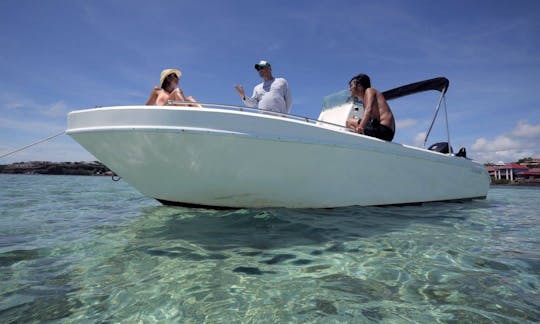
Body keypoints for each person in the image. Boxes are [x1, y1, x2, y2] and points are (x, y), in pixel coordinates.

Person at [345, 74, 395, 141]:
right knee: (355, 121)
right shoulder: (364, 99)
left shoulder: (369, 90)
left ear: (359, 86)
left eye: (351, 86)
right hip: (386, 132)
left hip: (384, 131)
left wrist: (361, 127)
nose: (350, 89)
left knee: (349, 122)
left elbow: (368, 110)